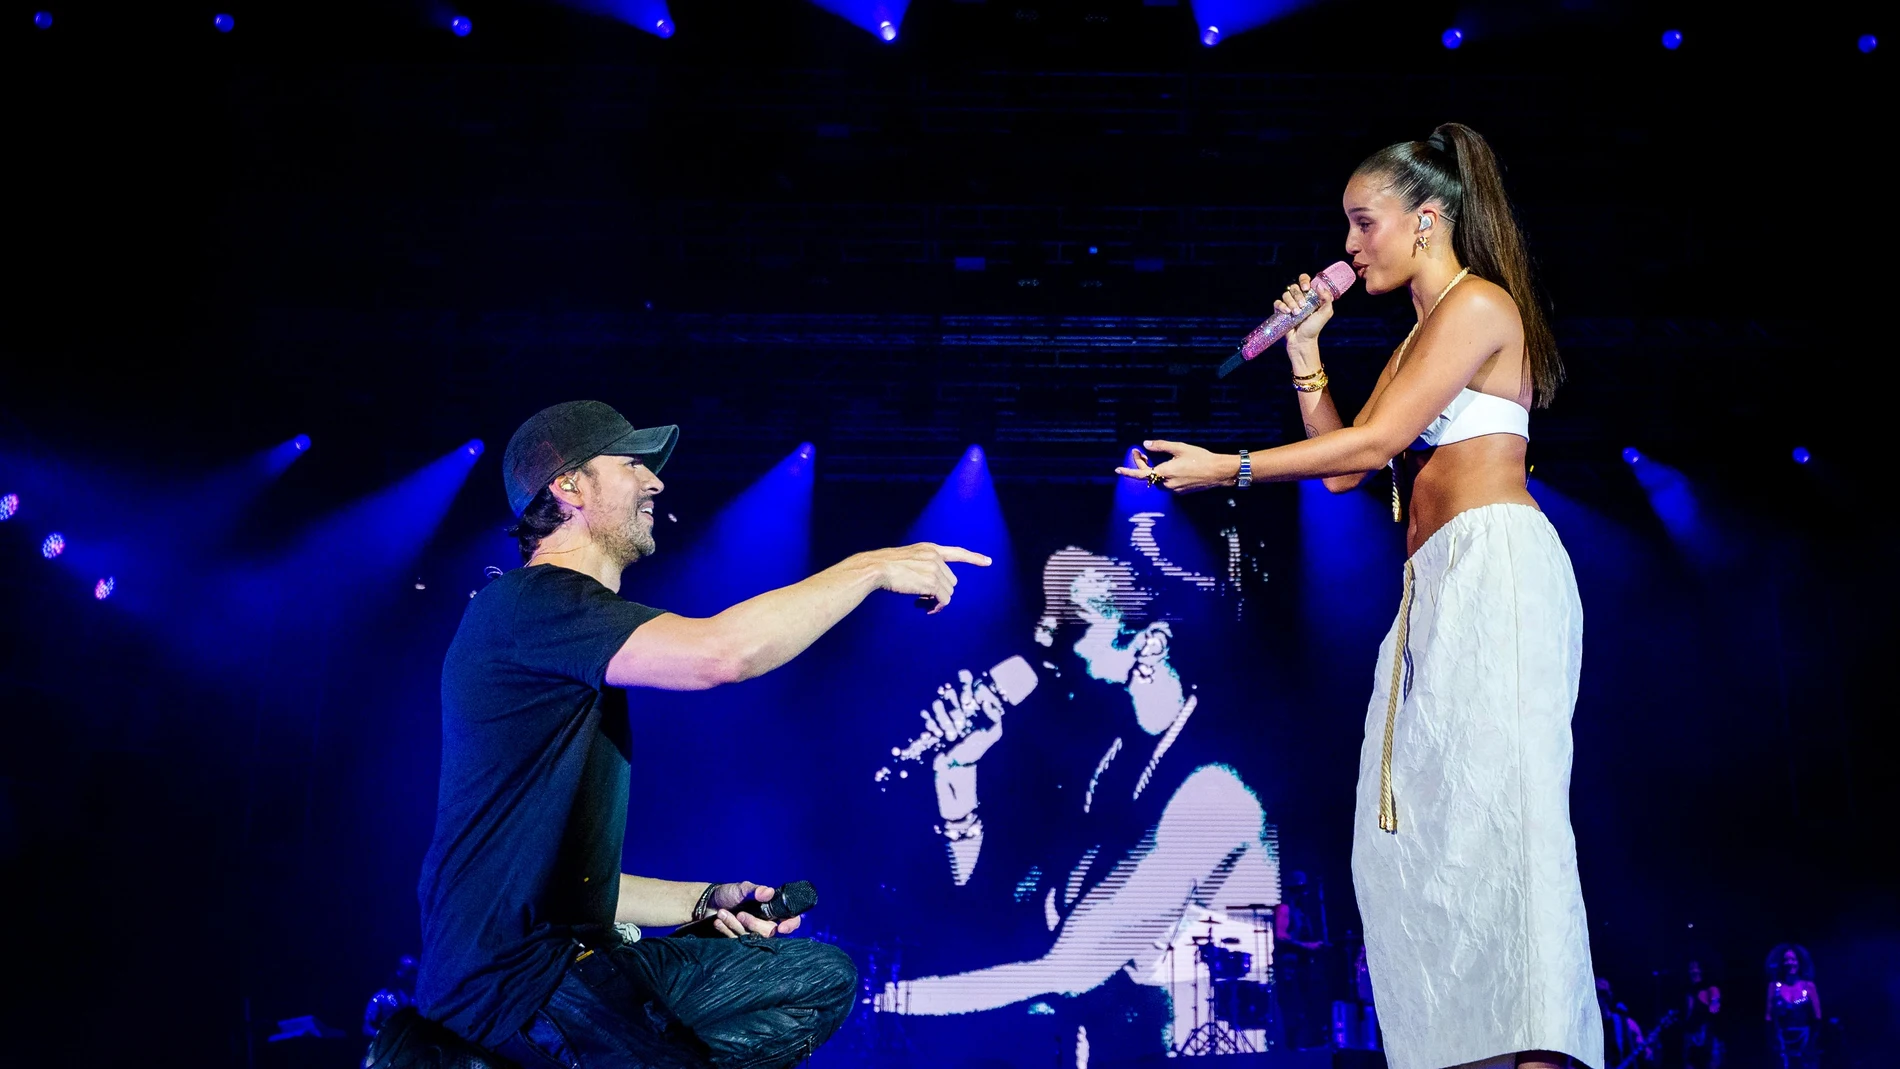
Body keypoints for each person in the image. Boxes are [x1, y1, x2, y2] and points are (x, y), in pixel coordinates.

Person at [1116, 122, 1598, 1069]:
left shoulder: (1478, 305)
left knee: (1505, 819)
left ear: (1426, 220)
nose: (1348, 246)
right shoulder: (1425, 332)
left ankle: (1536, 1050)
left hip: (1496, 570)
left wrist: (1230, 468)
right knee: (1418, 826)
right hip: (1439, 586)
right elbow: (1347, 469)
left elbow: (1371, 448)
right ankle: (1466, 1047)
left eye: (1361, 222)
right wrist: (1306, 350)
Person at [412, 400, 991, 1068]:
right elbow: (721, 654)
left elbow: (574, 889)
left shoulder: (560, 635)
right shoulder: (532, 602)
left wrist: (704, 899)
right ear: (569, 486)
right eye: (633, 466)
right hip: (516, 991)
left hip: (559, 973)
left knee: (816, 977)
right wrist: (869, 567)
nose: (656, 482)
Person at [1764, 944, 1822, 1069]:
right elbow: (1768, 1017)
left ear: (1799, 962)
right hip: (1782, 1042)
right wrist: (1773, 1042)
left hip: (1804, 1040)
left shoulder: (1809, 986)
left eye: (1793, 959)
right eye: (1786, 960)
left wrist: (1811, 1044)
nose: (1790, 963)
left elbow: (1817, 1017)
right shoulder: (1774, 987)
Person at [1680, 959, 1723, 1069]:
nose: (1693, 971)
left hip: (1707, 1037)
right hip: (1691, 1037)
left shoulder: (1711, 989)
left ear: (1702, 970)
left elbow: (1715, 1009)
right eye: (1691, 968)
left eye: (1696, 968)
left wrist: (1714, 1001)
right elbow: (1688, 1015)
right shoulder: (1688, 992)